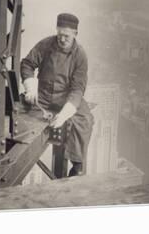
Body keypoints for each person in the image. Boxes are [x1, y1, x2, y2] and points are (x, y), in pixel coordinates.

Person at [20, 13, 94, 176]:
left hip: (66, 99)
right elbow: (27, 64)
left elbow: (77, 89)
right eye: (59, 34)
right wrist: (30, 87)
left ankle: (77, 165)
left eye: (66, 36)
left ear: (75, 34)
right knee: (16, 110)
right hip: (43, 97)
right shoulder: (45, 44)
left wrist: (64, 115)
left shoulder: (80, 55)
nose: (61, 39)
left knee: (85, 119)